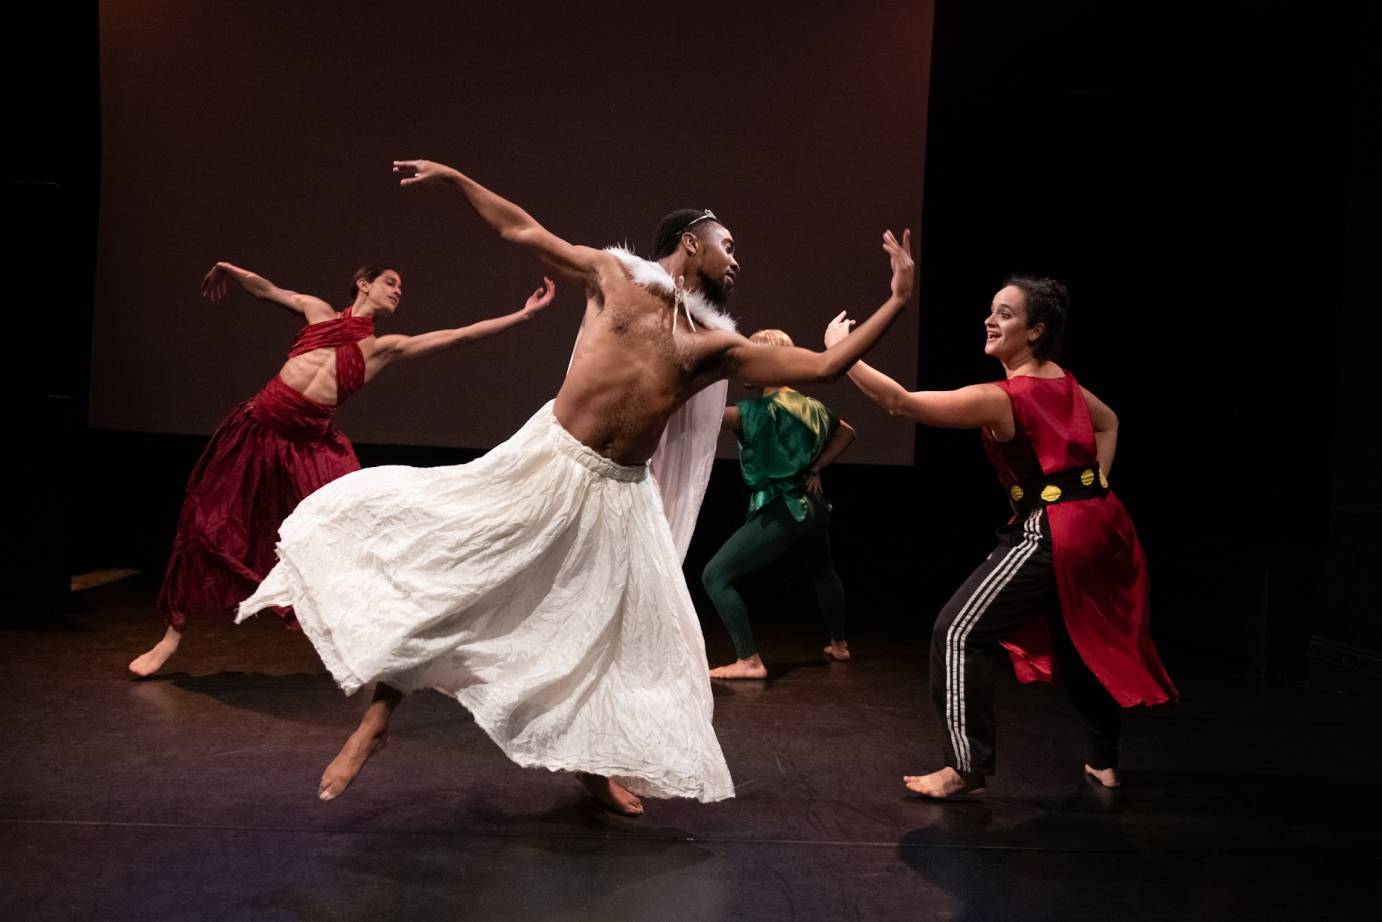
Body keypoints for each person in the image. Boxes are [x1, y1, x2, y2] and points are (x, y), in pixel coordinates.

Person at [237, 158, 915, 815]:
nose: (737, 259)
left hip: (621, 497)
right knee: (459, 577)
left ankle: (593, 770)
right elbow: (521, 229)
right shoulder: (613, 276)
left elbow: (824, 367)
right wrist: (456, 179)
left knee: (607, 640)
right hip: (550, 463)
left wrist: (896, 300)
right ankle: (376, 720)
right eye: (727, 245)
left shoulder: (716, 347)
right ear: (691, 242)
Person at [824, 275, 1176, 798]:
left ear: (1035, 331)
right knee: (1080, 641)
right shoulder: (1065, 383)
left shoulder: (1003, 398)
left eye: (1005, 314)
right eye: (992, 310)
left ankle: (965, 768)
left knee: (957, 631)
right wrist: (1092, 488)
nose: (990, 321)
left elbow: (899, 403)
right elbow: (1110, 423)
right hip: (1103, 527)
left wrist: (842, 351)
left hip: (1056, 531)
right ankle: (1104, 761)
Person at [128, 261, 554, 677]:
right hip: (257, 430)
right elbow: (268, 289)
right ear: (363, 284)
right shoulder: (318, 313)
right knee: (205, 522)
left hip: (311, 449)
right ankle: (172, 635)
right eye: (390, 282)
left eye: (401, 288)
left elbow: (457, 337)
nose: (398, 291)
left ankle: (376, 641)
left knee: (346, 538)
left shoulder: (383, 348)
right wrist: (229, 270)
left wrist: (523, 315)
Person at [703, 328, 856, 679]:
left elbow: (703, 417)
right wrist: (816, 466)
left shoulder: (754, 413)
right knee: (822, 570)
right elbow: (847, 432)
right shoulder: (812, 407)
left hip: (782, 508)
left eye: (748, 361)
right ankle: (839, 644)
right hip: (814, 508)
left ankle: (749, 660)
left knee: (715, 576)